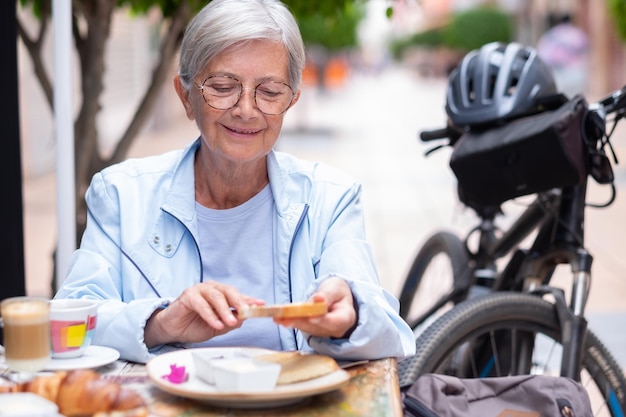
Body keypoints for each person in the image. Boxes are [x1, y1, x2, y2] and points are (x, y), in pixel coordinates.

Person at [55, 0, 416, 364]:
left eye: (270, 91)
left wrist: (350, 315)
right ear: (187, 97)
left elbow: (388, 333)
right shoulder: (121, 194)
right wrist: (161, 322)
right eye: (223, 86)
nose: (246, 109)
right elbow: (69, 324)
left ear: (291, 101)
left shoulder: (330, 197)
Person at [536, 13, 589, 98]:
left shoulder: (552, 34)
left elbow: (543, 54)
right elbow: (585, 49)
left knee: (563, 99)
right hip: (576, 71)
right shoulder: (577, 33)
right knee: (577, 97)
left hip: (559, 73)